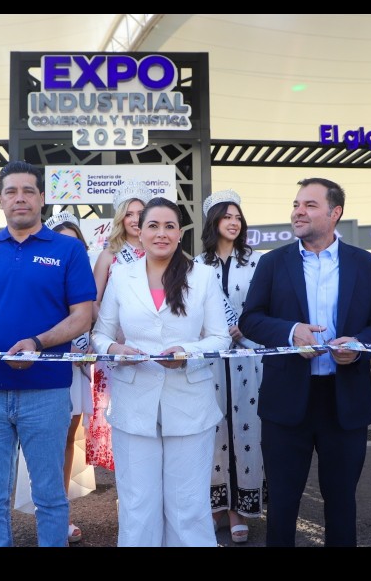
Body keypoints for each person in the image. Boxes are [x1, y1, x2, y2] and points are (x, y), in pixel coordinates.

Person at [239, 177, 371, 547]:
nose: (298, 212)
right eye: (296, 204)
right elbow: (251, 319)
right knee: (282, 503)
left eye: (310, 205)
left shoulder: (365, 264)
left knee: (341, 503)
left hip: (345, 400)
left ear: (335, 212)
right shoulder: (273, 262)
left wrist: (358, 346)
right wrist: (291, 331)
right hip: (286, 401)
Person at [0, 161, 95, 548]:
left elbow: (82, 316)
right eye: (11, 191)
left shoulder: (68, 250)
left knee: (50, 497)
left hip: (46, 391)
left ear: (42, 198)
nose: (20, 198)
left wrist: (37, 343)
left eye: (28, 191)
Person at [91, 196, 231, 547]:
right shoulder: (121, 276)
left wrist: (187, 352)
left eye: (170, 226)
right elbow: (100, 334)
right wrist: (116, 350)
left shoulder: (203, 276)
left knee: (188, 506)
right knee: (138, 504)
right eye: (153, 225)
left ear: (180, 233)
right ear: (139, 232)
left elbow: (220, 337)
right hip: (133, 402)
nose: (161, 233)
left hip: (189, 402)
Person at [13, 210, 96, 544]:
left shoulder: (85, 276)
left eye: (74, 244)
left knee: (68, 439)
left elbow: (94, 317)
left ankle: (60, 513)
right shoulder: (34, 275)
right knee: (42, 441)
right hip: (43, 366)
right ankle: (44, 509)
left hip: (76, 369)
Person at [193, 189, 265, 544]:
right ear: (213, 221)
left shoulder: (257, 262)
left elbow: (267, 306)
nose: (234, 222)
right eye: (227, 216)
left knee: (247, 430)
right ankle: (215, 507)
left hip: (249, 360)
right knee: (213, 429)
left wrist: (245, 327)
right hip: (210, 363)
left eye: (238, 217)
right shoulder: (196, 265)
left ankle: (239, 510)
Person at [86, 180, 153, 472]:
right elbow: (93, 300)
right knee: (119, 416)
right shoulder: (110, 255)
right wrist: (112, 334)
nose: (135, 219)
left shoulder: (159, 252)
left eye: (141, 213)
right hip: (117, 348)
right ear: (121, 219)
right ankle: (127, 481)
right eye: (129, 214)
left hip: (153, 345)